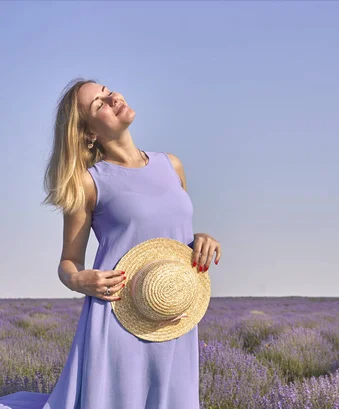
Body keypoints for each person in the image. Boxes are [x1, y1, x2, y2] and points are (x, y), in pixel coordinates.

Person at [0, 78, 222, 409]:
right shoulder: (89, 184)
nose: (112, 97)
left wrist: (200, 239)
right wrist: (77, 279)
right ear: (89, 133)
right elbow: (69, 260)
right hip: (118, 316)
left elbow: (174, 237)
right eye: (99, 104)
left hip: (174, 312)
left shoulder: (171, 165)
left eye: (107, 92)